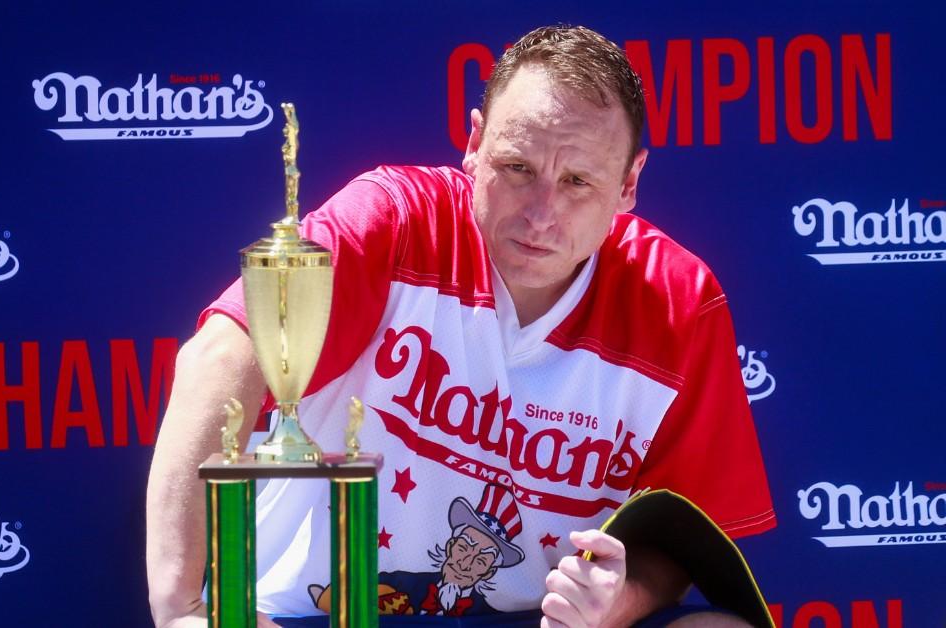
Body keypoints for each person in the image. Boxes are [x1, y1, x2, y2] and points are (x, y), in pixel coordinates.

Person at [146, 25, 775, 628]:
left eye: (578, 181)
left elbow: (687, 532)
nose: (541, 215)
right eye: (518, 168)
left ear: (629, 183)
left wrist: (622, 599)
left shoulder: (678, 302)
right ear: (475, 145)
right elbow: (219, 355)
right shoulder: (395, 220)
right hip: (319, 609)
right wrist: (182, 604)